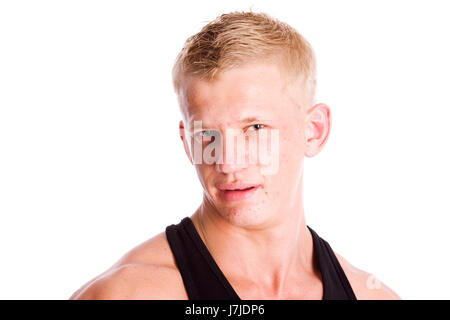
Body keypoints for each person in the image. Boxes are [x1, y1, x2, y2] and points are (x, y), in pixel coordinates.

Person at [70, 11, 400, 300]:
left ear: (314, 131)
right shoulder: (129, 294)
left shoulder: (372, 296)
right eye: (206, 135)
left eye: (255, 128)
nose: (227, 163)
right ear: (187, 143)